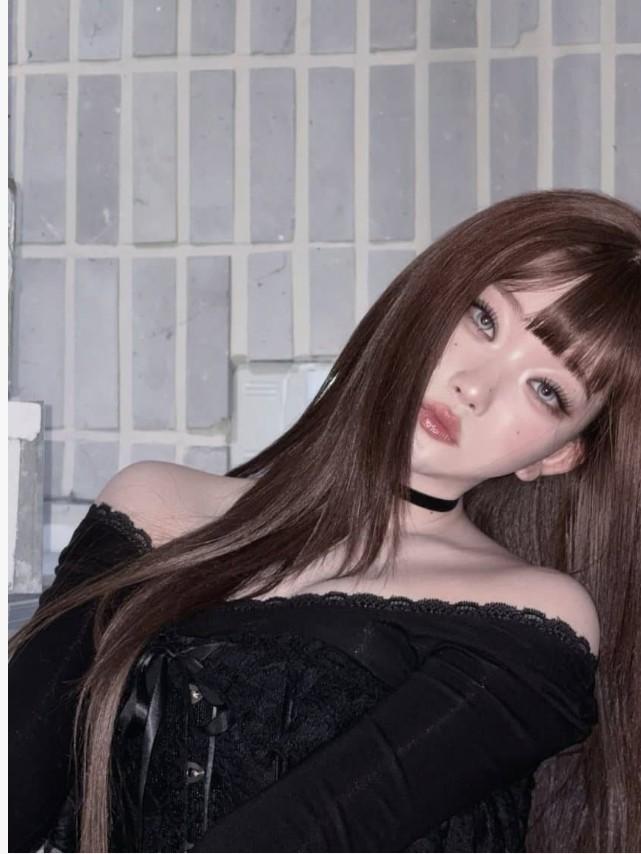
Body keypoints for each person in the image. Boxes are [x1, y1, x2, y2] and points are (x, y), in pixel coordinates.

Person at [9, 188, 641, 853]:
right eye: (484, 318)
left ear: (559, 454)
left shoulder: (534, 619)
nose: (474, 387)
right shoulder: (154, 505)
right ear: (430, 298)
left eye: (545, 390)